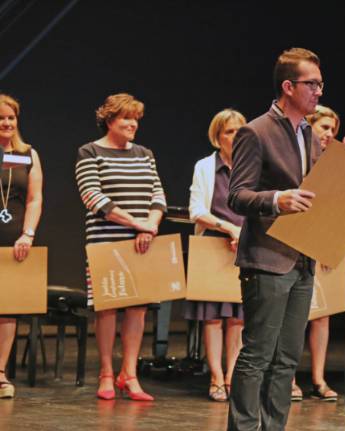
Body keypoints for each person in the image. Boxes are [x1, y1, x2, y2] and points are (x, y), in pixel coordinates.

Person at [226, 47, 323, 431]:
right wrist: (277, 199)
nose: (318, 91)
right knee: (257, 355)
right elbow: (237, 195)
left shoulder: (310, 135)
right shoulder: (256, 131)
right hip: (267, 258)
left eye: (320, 84)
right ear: (288, 86)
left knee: (287, 357)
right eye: (311, 84)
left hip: (301, 257)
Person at [75, 93, 166, 401]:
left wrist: (150, 225)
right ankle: (106, 373)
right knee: (107, 307)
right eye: (127, 118)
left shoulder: (144, 154)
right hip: (106, 242)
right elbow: (93, 197)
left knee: (138, 308)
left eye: (136, 119)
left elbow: (158, 195)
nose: (133, 124)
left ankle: (129, 374)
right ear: (110, 120)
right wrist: (137, 223)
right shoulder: (90, 151)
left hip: (142, 243)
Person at [289, 105, 345, 403]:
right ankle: (289, 378)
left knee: (322, 315)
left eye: (333, 129)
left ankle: (318, 378)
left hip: (324, 243)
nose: (330, 134)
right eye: (324, 128)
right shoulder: (297, 156)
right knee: (296, 314)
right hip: (296, 241)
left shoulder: (337, 163)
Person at [186, 109, 247, 402]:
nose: (235, 137)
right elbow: (196, 210)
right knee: (212, 318)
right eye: (229, 132)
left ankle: (232, 376)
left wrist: (243, 234)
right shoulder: (205, 166)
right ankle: (215, 377)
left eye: (239, 131)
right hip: (213, 244)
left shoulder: (252, 167)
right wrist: (229, 228)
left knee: (237, 319)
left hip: (243, 246)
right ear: (217, 137)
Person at [0, 94, 43, 399]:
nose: (6, 123)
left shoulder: (27, 155)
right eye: (0, 118)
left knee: (7, 310)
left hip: (13, 241)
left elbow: (34, 198)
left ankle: (0, 373)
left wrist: (27, 234)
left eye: (11, 117)